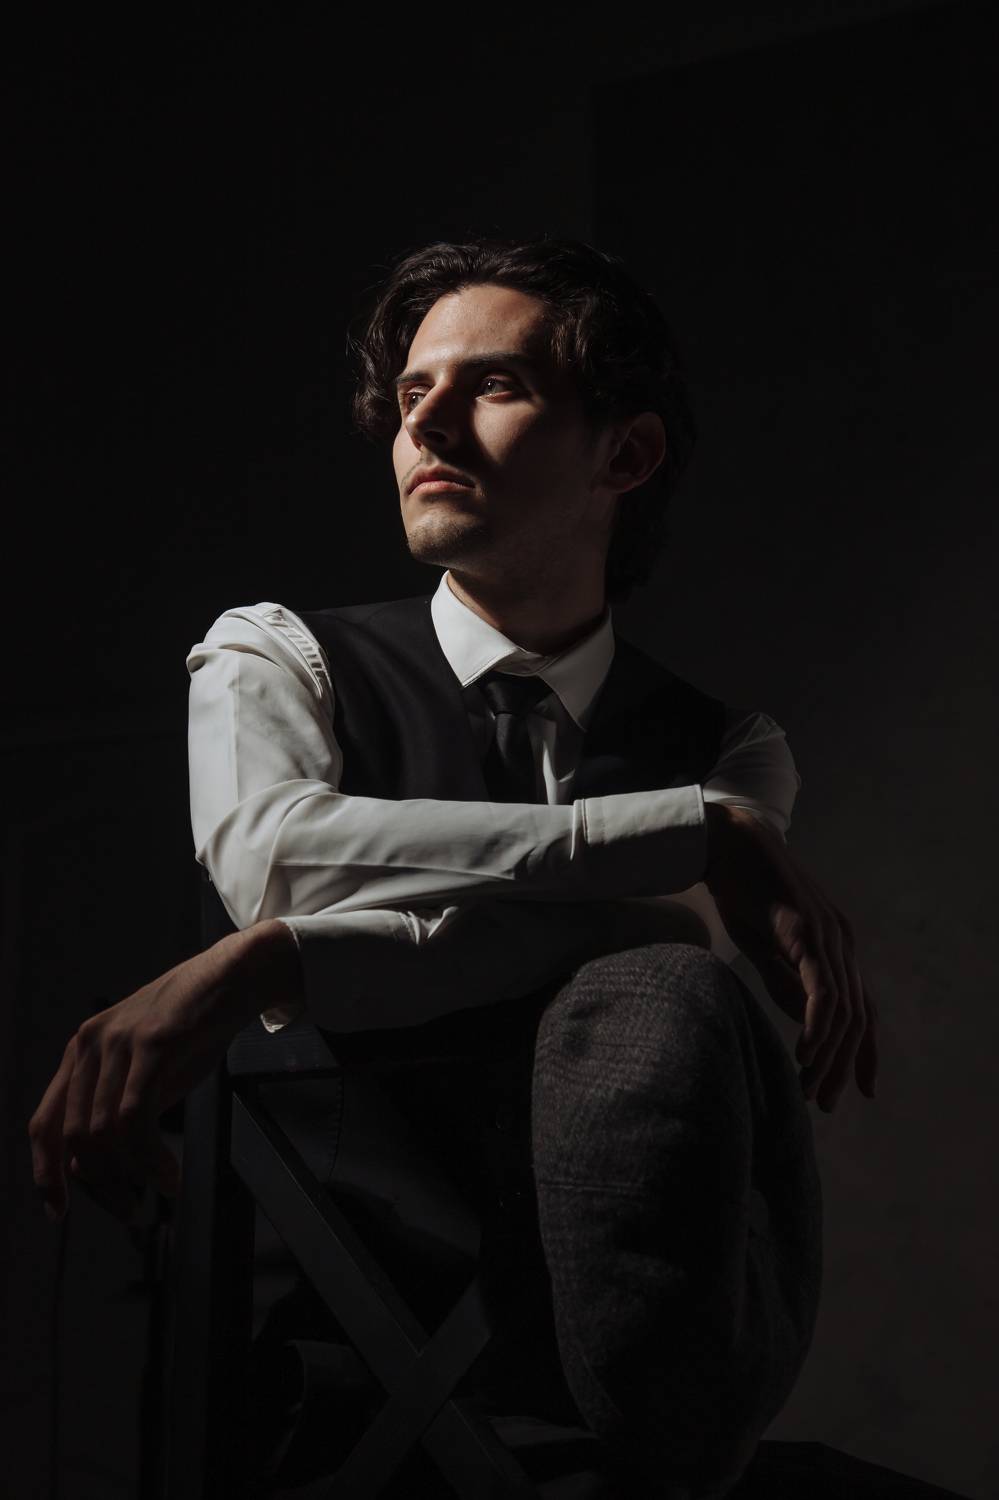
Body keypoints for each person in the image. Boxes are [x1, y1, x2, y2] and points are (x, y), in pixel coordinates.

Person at [29, 237, 878, 1499]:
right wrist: (679, 843)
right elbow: (281, 864)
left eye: (496, 385)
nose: (424, 420)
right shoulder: (276, 654)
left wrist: (270, 966)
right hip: (308, 1394)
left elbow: (660, 945)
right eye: (413, 390)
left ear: (626, 456)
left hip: (617, 1422)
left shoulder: (729, 754)